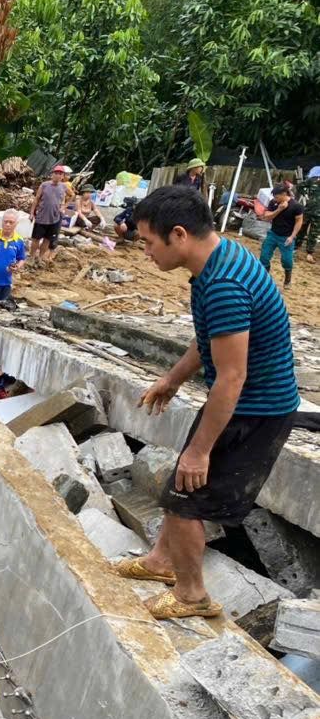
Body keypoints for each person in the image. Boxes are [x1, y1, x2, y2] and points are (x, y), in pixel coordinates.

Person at [117, 186, 298, 620]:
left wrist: (199, 451)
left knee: (185, 499)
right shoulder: (217, 260)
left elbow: (232, 378)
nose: (145, 252)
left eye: (147, 241)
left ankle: (192, 596)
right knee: (181, 486)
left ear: (178, 234)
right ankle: (162, 563)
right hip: (244, 402)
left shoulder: (224, 284)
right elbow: (210, 340)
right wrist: (172, 379)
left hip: (255, 410)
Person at [259, 183, 305, 286]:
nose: (275, 199)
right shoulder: (273, 203)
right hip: (273, 234)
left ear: (284, 194)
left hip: (286, 237)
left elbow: (299, 222)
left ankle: (288, 278)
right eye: (274, 197)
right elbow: (267, 217)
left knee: (287, 260)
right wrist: (279, 209)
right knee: (264, 257)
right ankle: (264, 279)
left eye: (277, 197)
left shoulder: (297, 206)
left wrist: (292, 236)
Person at [30, 164, 70, 266]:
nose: (57, 176)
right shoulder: (44, 185)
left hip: (55, 218)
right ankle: (32, 257)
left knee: (47, 240)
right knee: (36, 239)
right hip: (42, 217)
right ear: (52, 174)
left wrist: (64, 206)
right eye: (56, 173)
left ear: (62, 176)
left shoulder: (64, 186)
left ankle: (40, 257)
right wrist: (31, 213)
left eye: (60, 174)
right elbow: (36, 199)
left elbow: (73, 195)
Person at [299, 165, 320, 264]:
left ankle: (309, 253)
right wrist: (305, 194)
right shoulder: (313, 180)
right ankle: (295, 247)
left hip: (319, 215)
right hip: (308, 210)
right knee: (301, 228)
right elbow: (300, 186)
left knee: (314, 233)